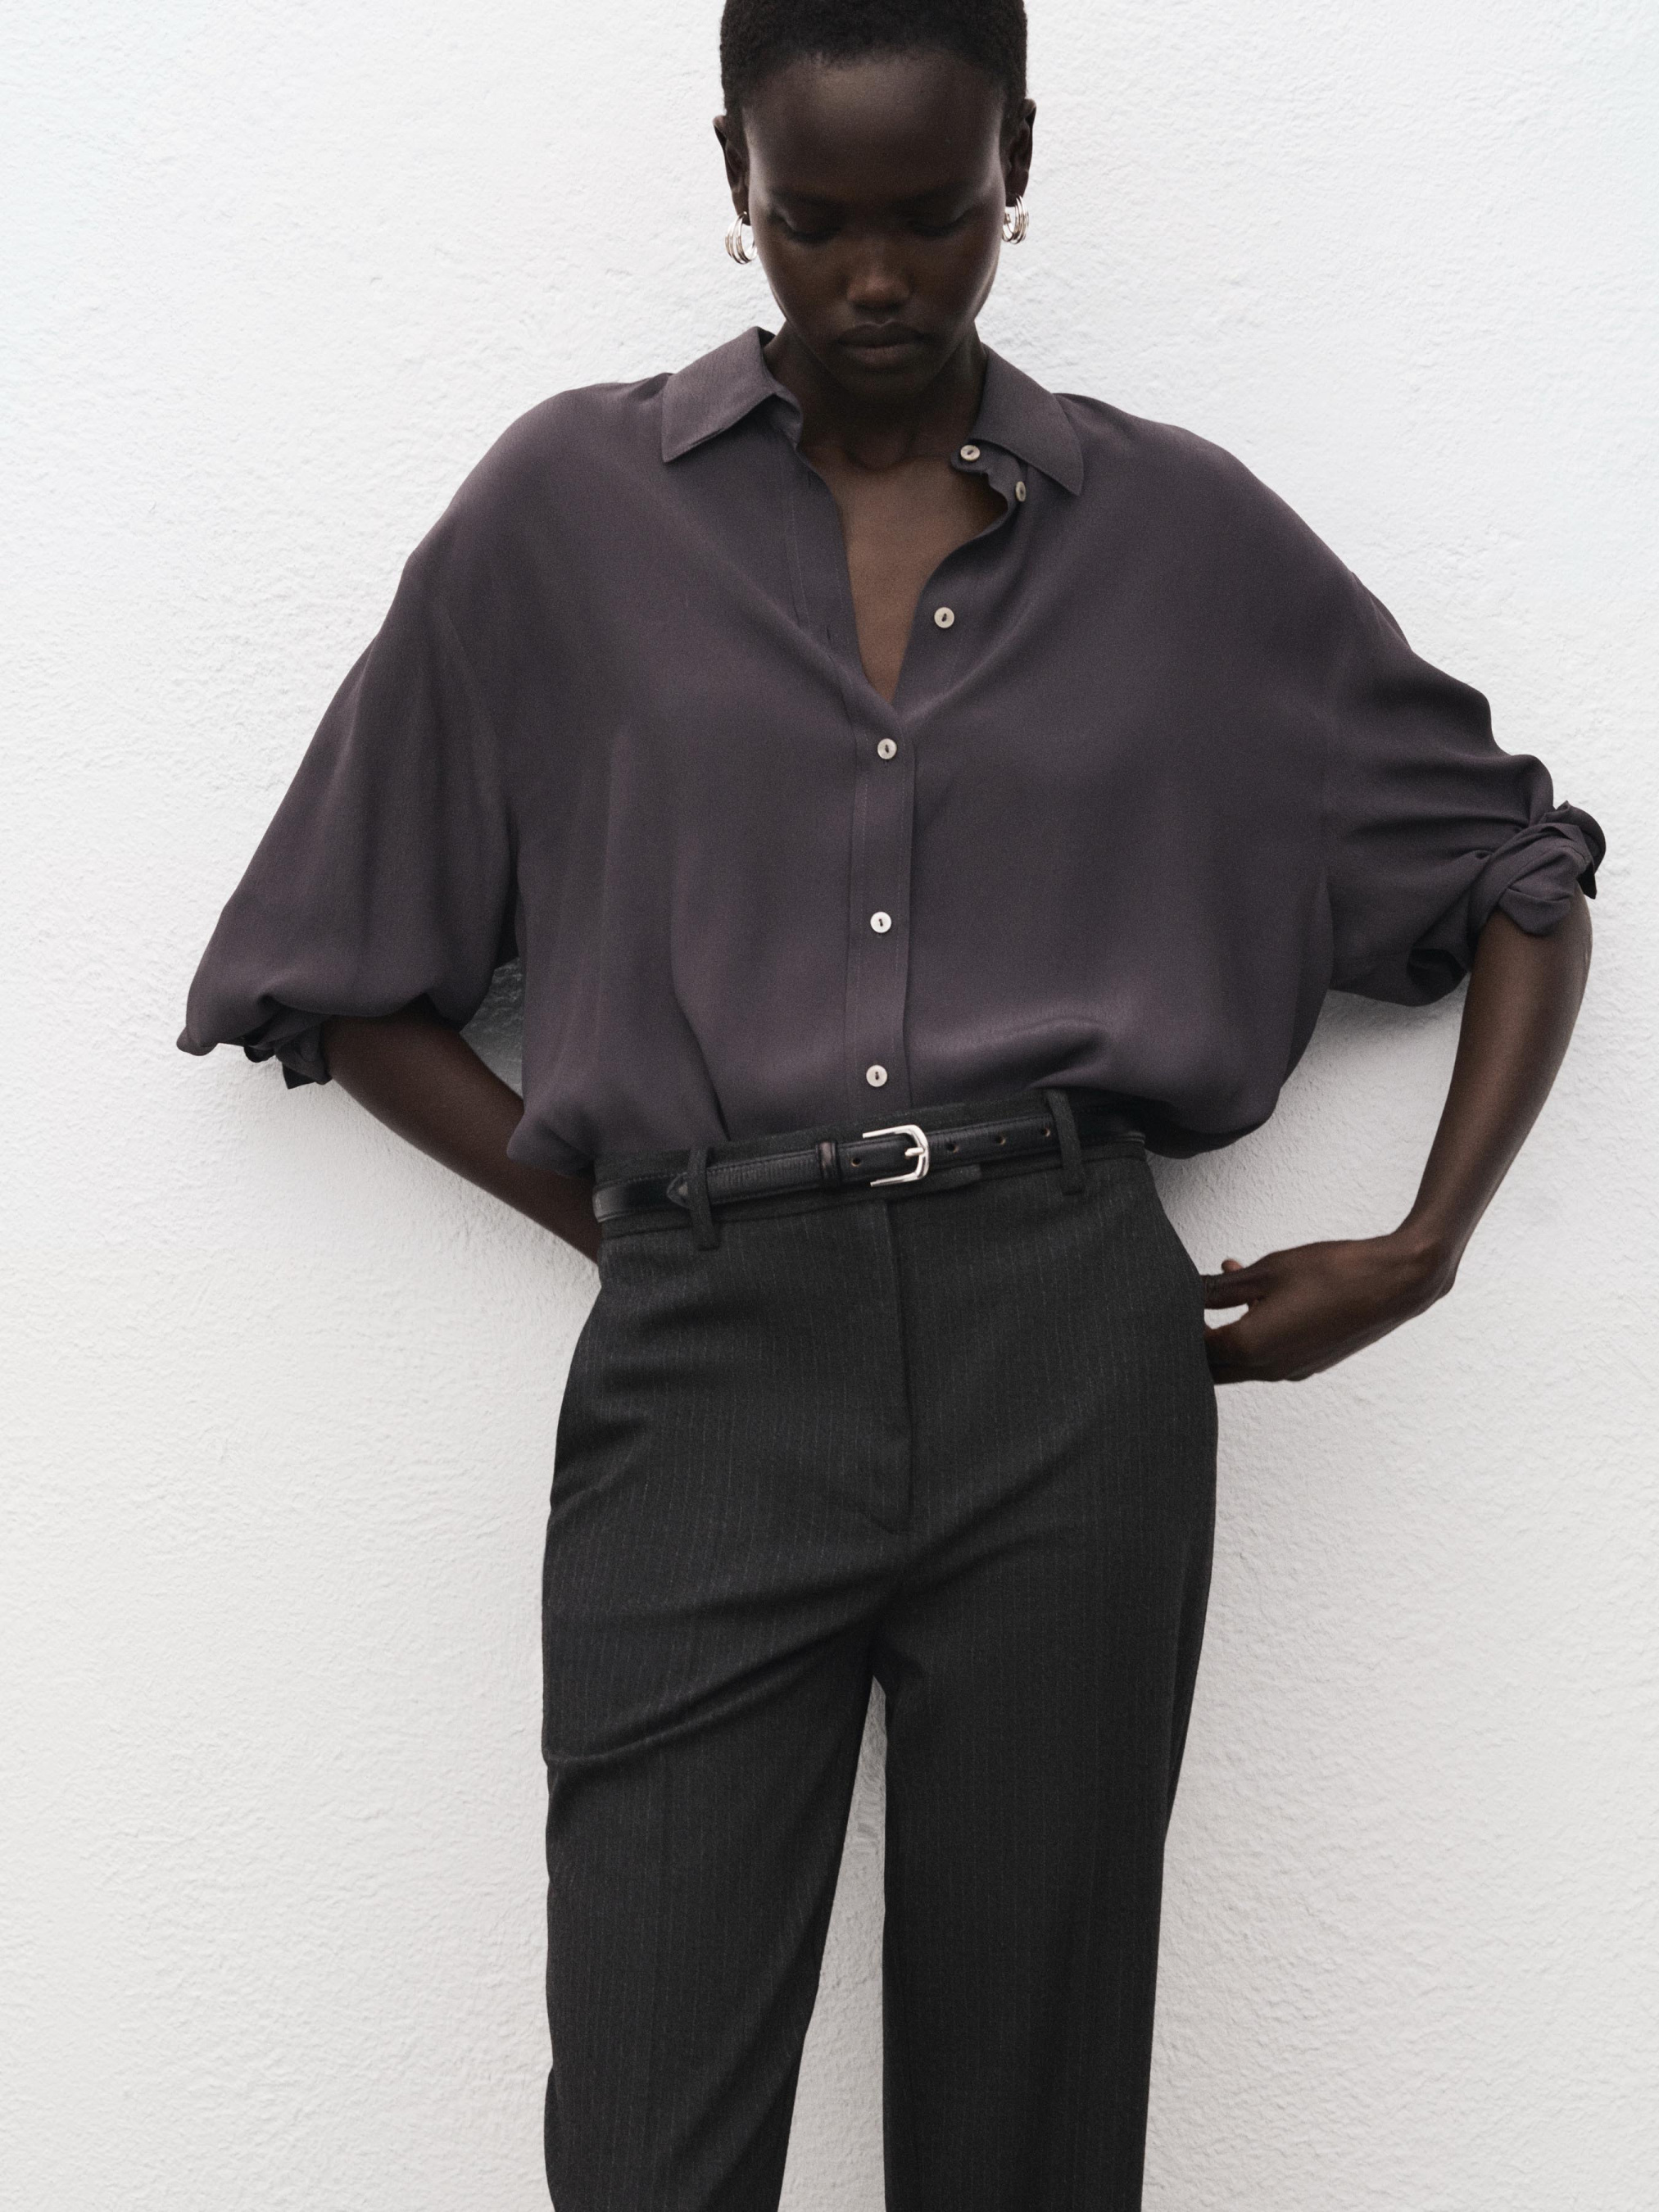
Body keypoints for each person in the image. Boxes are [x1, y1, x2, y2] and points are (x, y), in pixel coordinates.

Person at [178, 2, 1602, 2204]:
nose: (869, 279)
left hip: (1068, 1342)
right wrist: (631, 1219)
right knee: (648, 2121)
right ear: (731, 178)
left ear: (1015, 160)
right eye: (809, 219)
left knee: (1031, 2112)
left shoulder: (1178, 537)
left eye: (931, 216)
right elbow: (344, 974)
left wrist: (1425, 1247)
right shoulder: (569, 510)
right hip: (708, 1368)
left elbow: (1514, 867)